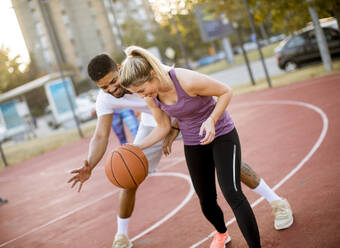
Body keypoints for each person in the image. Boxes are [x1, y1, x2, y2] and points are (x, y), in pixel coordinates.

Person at [68, 53, 293, 248]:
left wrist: (175, 129)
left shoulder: (152, 73)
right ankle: (121, 235)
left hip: (186, 116)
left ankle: (277, 202)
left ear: (119, 69)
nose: (110, 89)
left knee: (228, 167)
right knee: (128, 174)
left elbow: (183, 98)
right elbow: (100, 135)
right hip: (154, 123)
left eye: (112, 82)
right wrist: (90, 163)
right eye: (103, 87)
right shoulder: (107, 98)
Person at [118, 45, 262, 247]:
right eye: (138, 94)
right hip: (193, 143)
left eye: (142, 90)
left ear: (152, 74)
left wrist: (211, 120)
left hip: (222, 135)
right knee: (206, 200)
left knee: (232, 192)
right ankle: (222, 233)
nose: (143, 96)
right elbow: (163, 126)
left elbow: (225, 91)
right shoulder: (152, 97)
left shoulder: (186, 80)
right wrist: (136, 148)